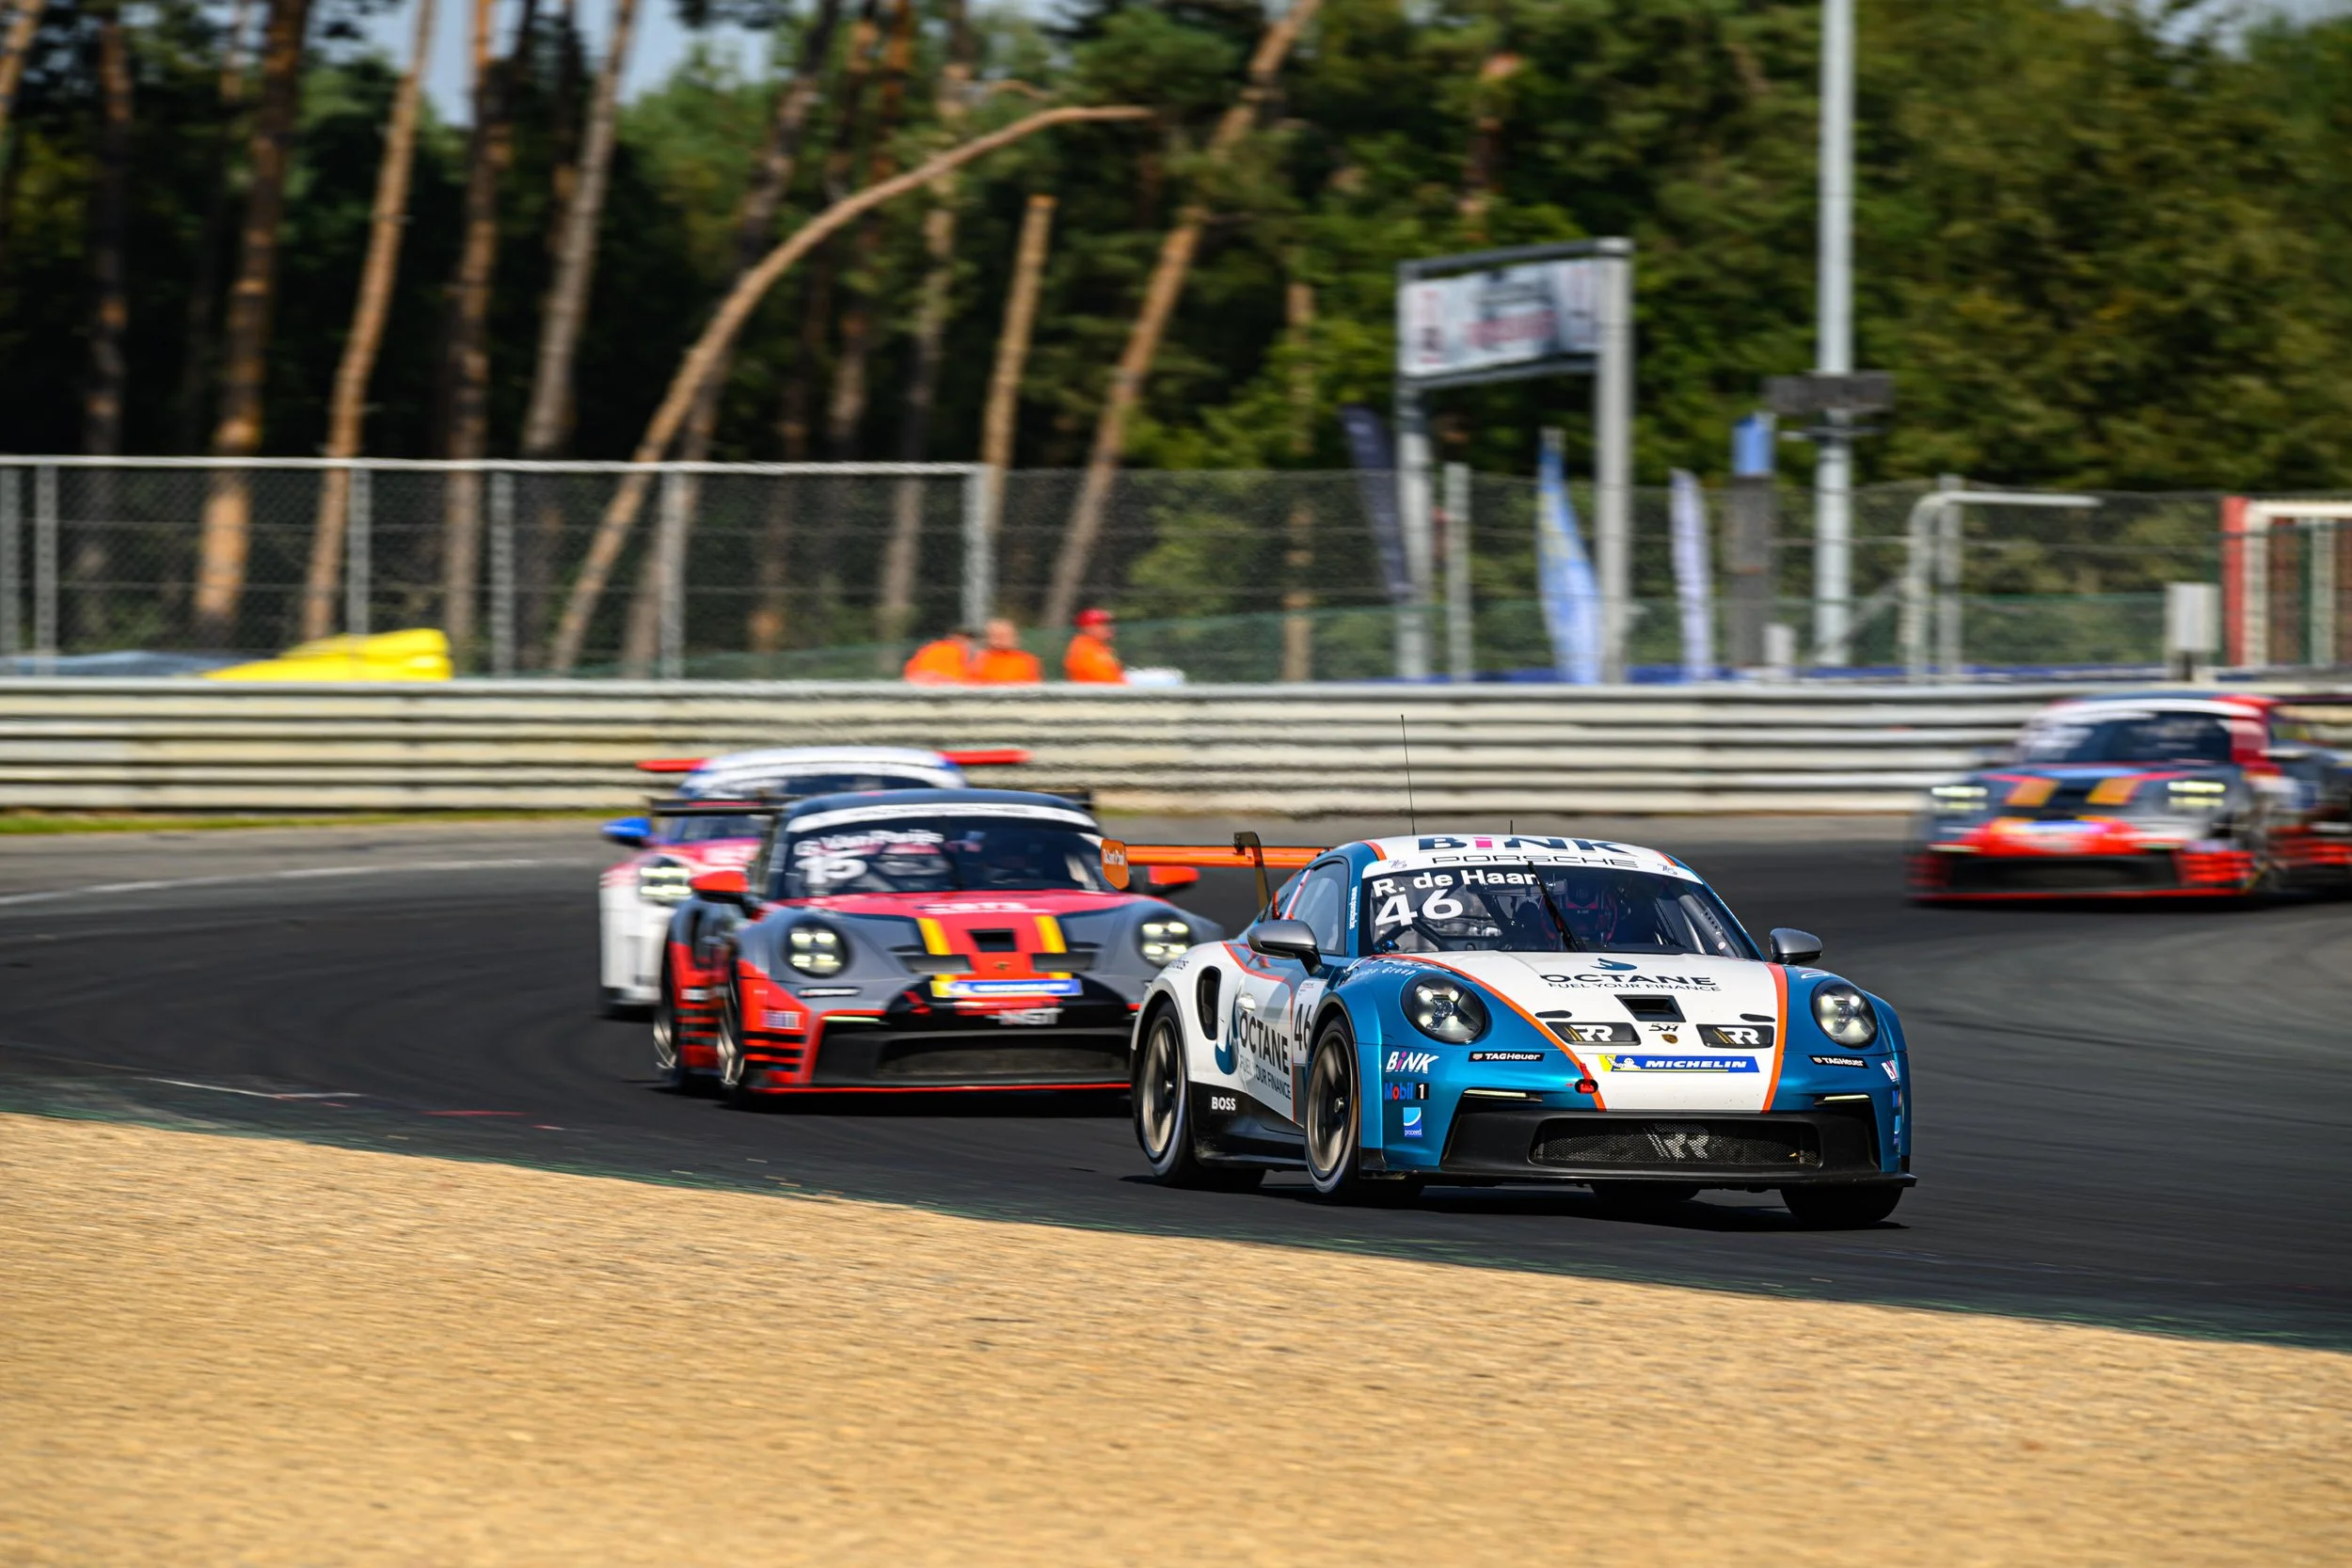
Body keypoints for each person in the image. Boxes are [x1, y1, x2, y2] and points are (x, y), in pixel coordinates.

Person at [1063, 607, 1125, 684]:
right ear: (1087, 628)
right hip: (1095, 694)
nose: (1110, 627)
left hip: (1109, 691)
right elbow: (1106, 681)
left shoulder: (1102, 647)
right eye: (1103, 624)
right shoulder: (1083, 650)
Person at [971, 618, 1042, 684]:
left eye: (1004, 635)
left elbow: (1034, 687)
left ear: (1015, 637)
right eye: (995, 636)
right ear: (987, 638)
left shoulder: (1027, 660)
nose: (1000, 640)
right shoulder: (979, 659)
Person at [902, 626, 975, 685]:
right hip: (940, 685)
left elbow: (909, 670)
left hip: (915, 684)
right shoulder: (955, 650)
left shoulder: (930, 647)